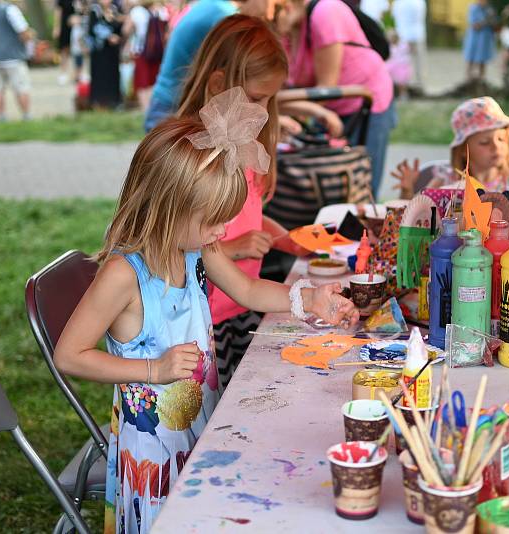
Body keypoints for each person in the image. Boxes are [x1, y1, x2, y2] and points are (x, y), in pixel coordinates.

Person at [53, 87, 358, 533]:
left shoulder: (195, 247)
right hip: (152, 448)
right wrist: (154, 370)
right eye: (215, 219)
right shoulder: (124, 275)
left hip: (199, 419)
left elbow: (250, 290)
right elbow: (69, 355)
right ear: (168, 208)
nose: (223, 231)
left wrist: (307, 298)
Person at [175, 14, 309, 390]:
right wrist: (231, 249)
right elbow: (170, 240)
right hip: (203, 318)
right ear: (219, 83)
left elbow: (249, 214)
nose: (264, 111)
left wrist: (284, 238)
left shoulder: (242, 148)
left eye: (269, 99)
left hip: (241, 306)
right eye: (254, 98)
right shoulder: (191, 156)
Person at [275, 0, 396, 197]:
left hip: (366, 101)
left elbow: (325, 89)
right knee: (331, 186)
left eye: (271, 15)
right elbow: (283, 85)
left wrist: (274, 103)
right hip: (330, 109)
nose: (268, 22)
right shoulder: (289, 29)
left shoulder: (326, 12)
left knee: (360, 186)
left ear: (286, 6)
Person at [393, 96, 509, 204]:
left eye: (501, 139)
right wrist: (407, 190)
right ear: (463, 149)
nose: (496, 147)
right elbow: (413, 213)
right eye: (485, 142)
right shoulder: (447, 181)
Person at [143, 0, 272, 131]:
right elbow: (240, 83)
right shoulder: (225, 16)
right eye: (270, 3)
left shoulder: (212, 5)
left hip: (167, 103)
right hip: (175, 109)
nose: (269, 13)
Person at [124, 0, 168, 110]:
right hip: (158, 52)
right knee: (154, 80)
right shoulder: (162, 10)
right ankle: (154, 107)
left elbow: (126, 30)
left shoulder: (137, 11)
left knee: (142, 82)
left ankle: (146, 109)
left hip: (141, 51)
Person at [87, 0, 123, 108]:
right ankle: (99, 101)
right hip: (99, 51)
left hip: (112, 51)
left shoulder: (114, 10)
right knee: (100, 76)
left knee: (113, 75)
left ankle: (114, 101)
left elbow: (118, 26)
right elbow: (93, 28)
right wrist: (109, 36)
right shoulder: (95, 11)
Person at [391, 0, 425, 95]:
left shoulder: (399, 3)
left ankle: (407, 86)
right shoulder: (418, 2)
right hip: (415, 34)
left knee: (403, 64)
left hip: (404, 35)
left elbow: (395, 16)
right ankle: (416, 86)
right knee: (413, 64)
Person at [462, 0, 496, 86]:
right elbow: (475, 25)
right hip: (474, 39)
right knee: (470, 60)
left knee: (482, 61)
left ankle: (481, 82)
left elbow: (495, 25)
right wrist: (486, 20)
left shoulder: (490, 9)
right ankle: (468, 82)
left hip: (485, 40)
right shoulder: (473, 8)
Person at [53, 0, 76, 84]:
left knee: (78, 50)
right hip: (65, 25)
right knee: (64, 49)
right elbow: (58, 11)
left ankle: (77, 73)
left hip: (78, 25)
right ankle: (63, 72)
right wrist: (57, 27)